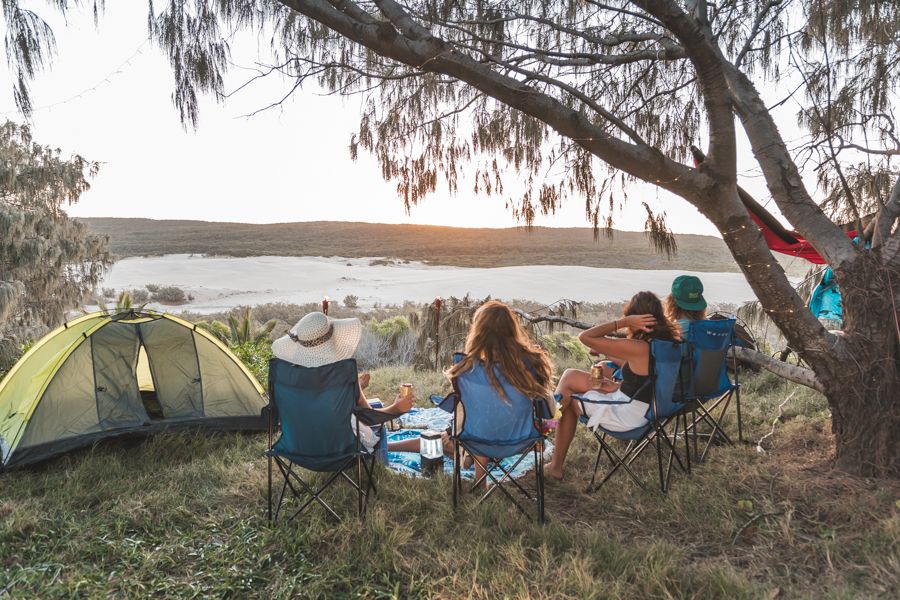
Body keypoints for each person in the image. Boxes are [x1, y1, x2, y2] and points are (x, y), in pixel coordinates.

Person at [403, 301, 554, 482]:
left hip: (478, 439)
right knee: (482, 419)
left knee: (444, 436)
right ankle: (469, 459)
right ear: (513, 328)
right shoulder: (533, 363)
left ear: (479, 331)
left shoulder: (468, 369)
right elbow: (547, 407)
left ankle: (478, 477)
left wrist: (450, 431)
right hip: (521, 438)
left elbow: (467, 409)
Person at [545, 291, 679, 481]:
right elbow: (648, 376)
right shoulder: (666, 343)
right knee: (570, 376)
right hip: (648, 408)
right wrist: (618, 386)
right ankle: (549, 426)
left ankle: (551, 446)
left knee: (570, 398)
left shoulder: (640, 347)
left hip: (628, 416)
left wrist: (622, 323)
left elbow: (585, 337)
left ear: (635, 317)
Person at [271, 311, 414, 452]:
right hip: (340, 448)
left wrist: (355, 389)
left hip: (299, 445)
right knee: (366, 426)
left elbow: (315, 402)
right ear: (333, 339)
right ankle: (386, 450)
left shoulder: (287, 377)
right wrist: (397, 408)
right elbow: (368, 417)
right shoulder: (343, 375)